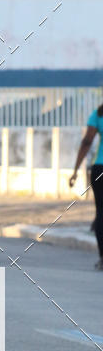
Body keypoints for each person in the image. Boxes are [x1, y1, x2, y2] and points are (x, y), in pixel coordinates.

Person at [70, 104, 103, 269]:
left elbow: (87, 142)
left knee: (101, 213)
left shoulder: (98, 114)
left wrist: (75, 170)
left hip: (100, 168)